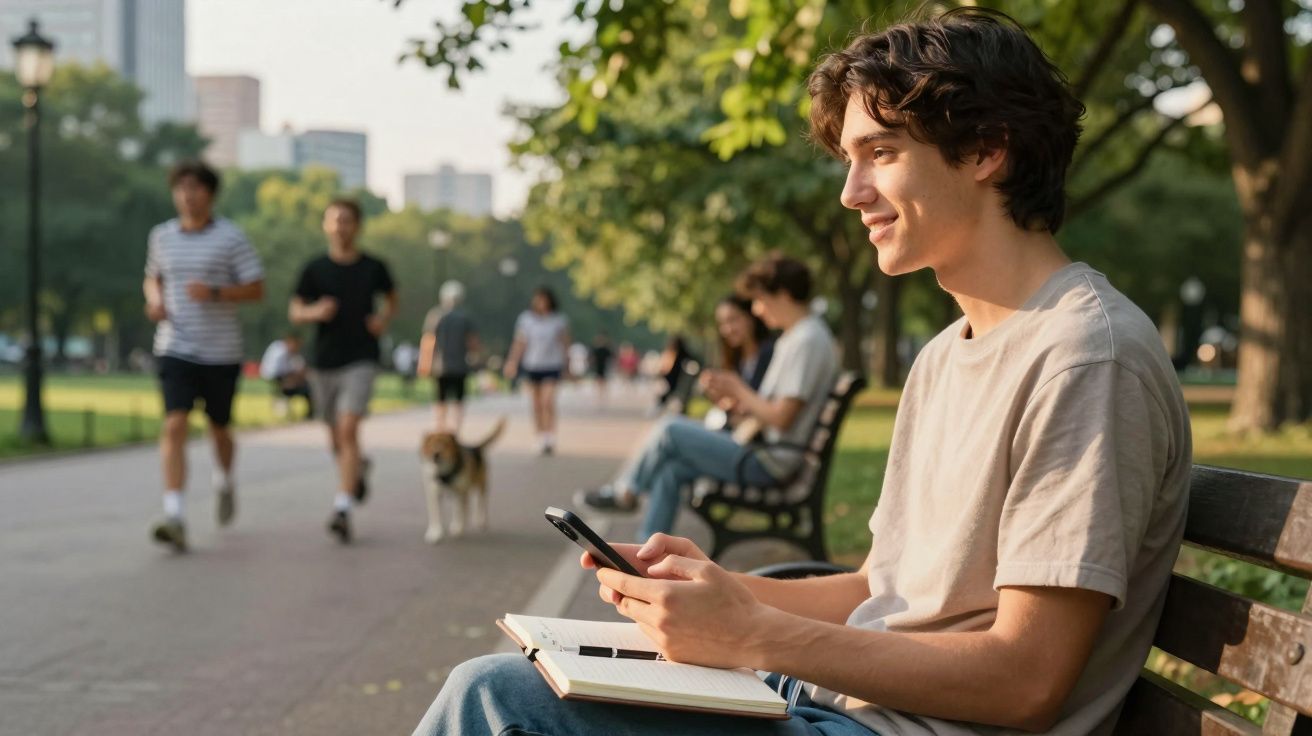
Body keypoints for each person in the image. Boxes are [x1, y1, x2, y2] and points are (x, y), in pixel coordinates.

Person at [414, 8, 1192, 736]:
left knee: (494, 698)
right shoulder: (946, 355)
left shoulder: (1086, 358)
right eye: (850, 160)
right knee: (525, 680)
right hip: (834, 707)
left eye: (881, 154)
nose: (852, 193)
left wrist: (755, 634)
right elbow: (880, 589)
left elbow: (1026, 679)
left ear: (988, 150)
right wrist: (722, 593)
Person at [577, 254, 838, 543]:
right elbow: (774, 412)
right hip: (764, 451)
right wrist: (736, 401)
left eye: (760, 299)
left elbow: (782, 418)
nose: (756, 309)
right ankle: (647, 549)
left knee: (670, 428)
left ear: (784, 294)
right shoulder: (798, 338)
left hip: (769, 461)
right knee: (672, 470)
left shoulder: (806, 340)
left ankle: (625, 493)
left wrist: (738, 389)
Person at [143, 160, 265, 552]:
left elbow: (256, 288)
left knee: (219, 429)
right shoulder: (162, 236)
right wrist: (155, 300)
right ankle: (174, 514)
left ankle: (224, 479)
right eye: (181, 189)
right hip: (175, 345)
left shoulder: (231, 238)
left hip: (220, 351)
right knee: (174, 424)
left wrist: (215, 292)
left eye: (195, 188)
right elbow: (153, 276)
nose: (188, 196)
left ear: (210, 194)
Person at [289, 199, 397, 545]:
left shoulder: (373, 267)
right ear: (325, 225)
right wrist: (315, 312)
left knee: (348, 428)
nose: (340, 227)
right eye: (334, 220)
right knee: (336, 437)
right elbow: (295, 311)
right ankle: (357, 469)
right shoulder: (315, 268)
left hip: (361, 358)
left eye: (347, 220)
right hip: (324, 361)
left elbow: (392, 297)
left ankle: (342, 508)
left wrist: (382, 319)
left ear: (358, 226)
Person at [504, 286, 570, 455]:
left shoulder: (558, 320)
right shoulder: (526, 320)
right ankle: (540, 435)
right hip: (532, 365)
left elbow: (565, 343)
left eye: (544, 299)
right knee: (536, 404)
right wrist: (512, 362)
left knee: (548, 401)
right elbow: (520, 343)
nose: (541, 303)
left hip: (552, 365)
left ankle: (550, 435)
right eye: (538, 300)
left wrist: (567, 365)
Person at [704, 293, 776, 430]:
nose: (727, 330)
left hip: (756, 435)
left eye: (733, 320)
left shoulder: (770, 353)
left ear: (750, 317)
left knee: (670, 428)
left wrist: (736, 390)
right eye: (722, 324)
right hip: (737, 431)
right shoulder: (737, 361)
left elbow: (766, 403)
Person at [418, 280, 480, 433]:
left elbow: (429, 341)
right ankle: (455, 431)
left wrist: (424, 363)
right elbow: (472, 342)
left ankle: (441, 428)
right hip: (460, 366)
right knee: (458, 400)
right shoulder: (465, 317)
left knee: (440, 399)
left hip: (441, 367)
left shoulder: (435, 315)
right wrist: (476, 358)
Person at [259, 333, 313, 419]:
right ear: (291, 342)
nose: (298, 348)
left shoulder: (279, 348)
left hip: (281, 379)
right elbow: (279, 372)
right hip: (279, 380)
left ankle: (310, 413)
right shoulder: (281, 352)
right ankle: (310, 413)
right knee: (308, 388)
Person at [590, 332, 614, 403]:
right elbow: (592, 358)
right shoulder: (596, 349)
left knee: (603, 379)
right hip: (598, 366)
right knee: (598, 379)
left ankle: (603, 394)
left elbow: (611, 357)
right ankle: (599, 394)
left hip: (604, 366)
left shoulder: (605, 349)